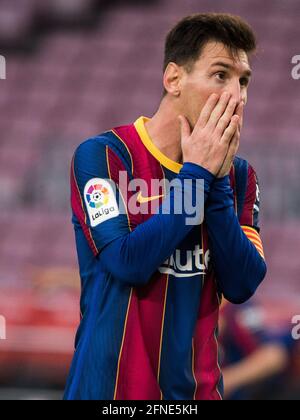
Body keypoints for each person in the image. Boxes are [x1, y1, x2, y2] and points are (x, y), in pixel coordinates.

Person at [64, 13, 267, 400]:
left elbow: (242, 285)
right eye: (221, 75)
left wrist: (217, 182)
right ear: (173, 79)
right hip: (108, 394)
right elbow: (128, 263)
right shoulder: (105, 156)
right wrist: (196, 175)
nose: (237, 96)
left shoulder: (239, 177)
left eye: (244, 81)